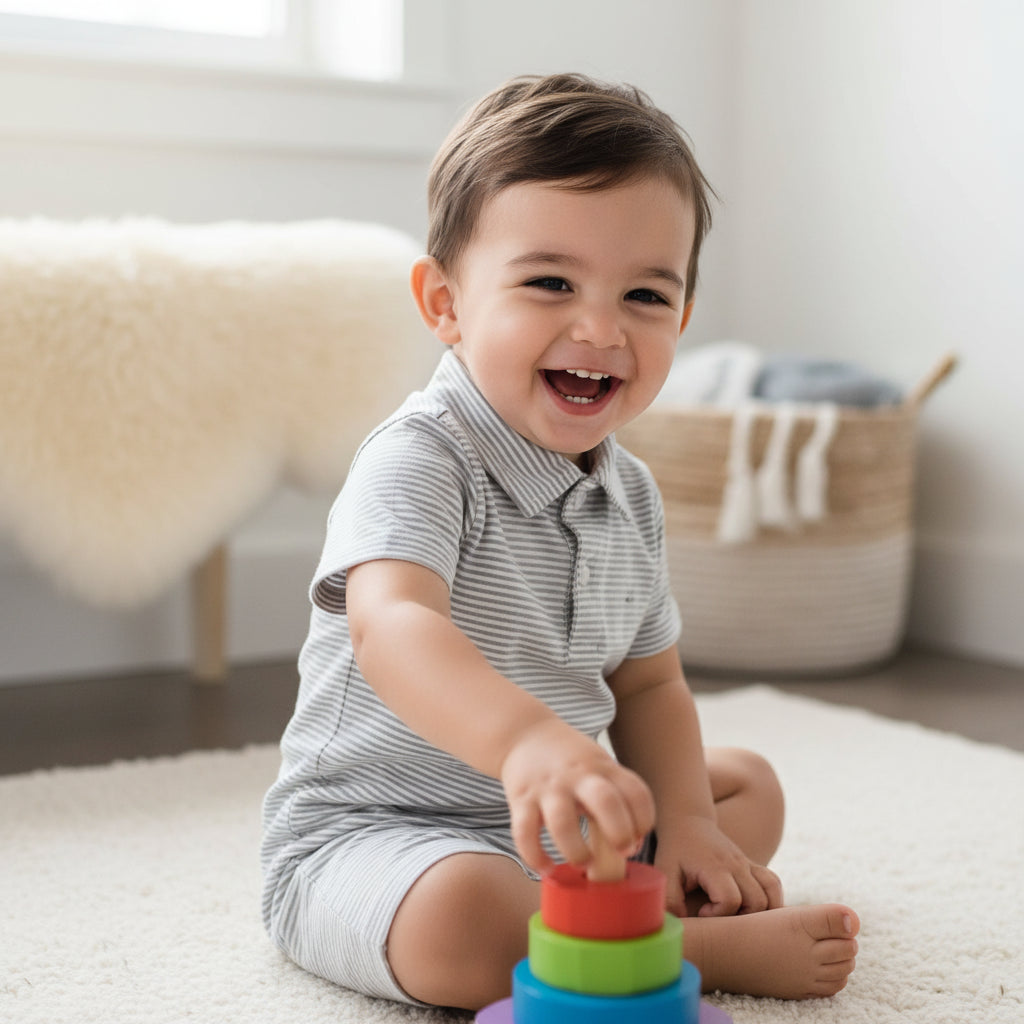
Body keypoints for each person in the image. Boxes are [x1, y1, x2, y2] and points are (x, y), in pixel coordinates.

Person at [261, 72, 860, 1012]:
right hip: (383, 838)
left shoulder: (632, 494)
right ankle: (697, 952)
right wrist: (528, 743)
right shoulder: (421, 456)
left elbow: (648, 684)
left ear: (684, 319)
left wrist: (691, 824)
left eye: (645, 296)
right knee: (463, 918)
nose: (599, 328)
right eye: (549, 283)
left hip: (567, 825)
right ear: (445, 303)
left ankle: (634, 904)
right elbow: (392, 623)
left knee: (747, 791)